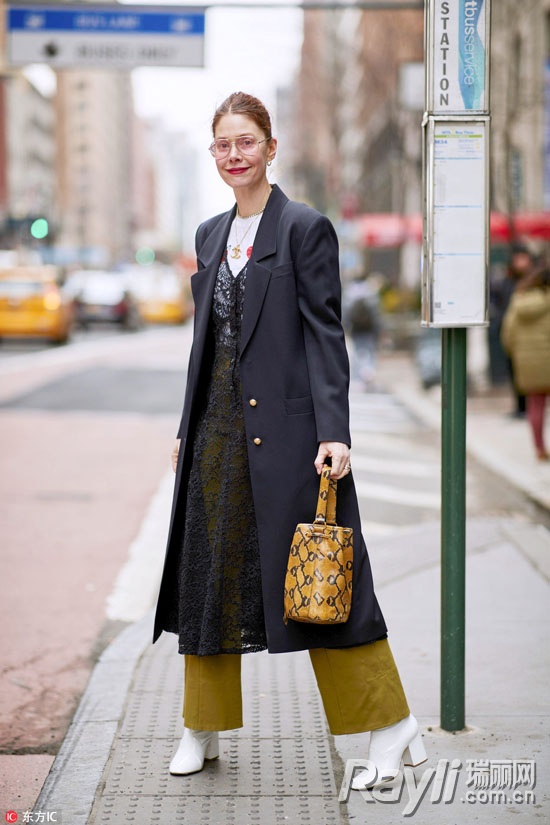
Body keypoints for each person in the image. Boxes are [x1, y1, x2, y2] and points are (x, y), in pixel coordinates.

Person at [152, 91, 426, 791]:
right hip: (216, 436)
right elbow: (205, 347)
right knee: (207, 580)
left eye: (246, 142)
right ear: (212, 154)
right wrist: (188, 429)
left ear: (271, 148)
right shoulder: (211, 234)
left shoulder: (304, 228)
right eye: (222, 145)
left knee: (324, 583)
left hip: (293, 438)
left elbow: (324, 334)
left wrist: (335, 430)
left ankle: (390, 725)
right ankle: (200, 724)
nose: (234, 155)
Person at [501, 267, 550, 461]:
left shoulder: (519, 300)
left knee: (535, 404)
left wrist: (516, 353)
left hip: (527, 361)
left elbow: (508, 332)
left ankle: (539, 449)